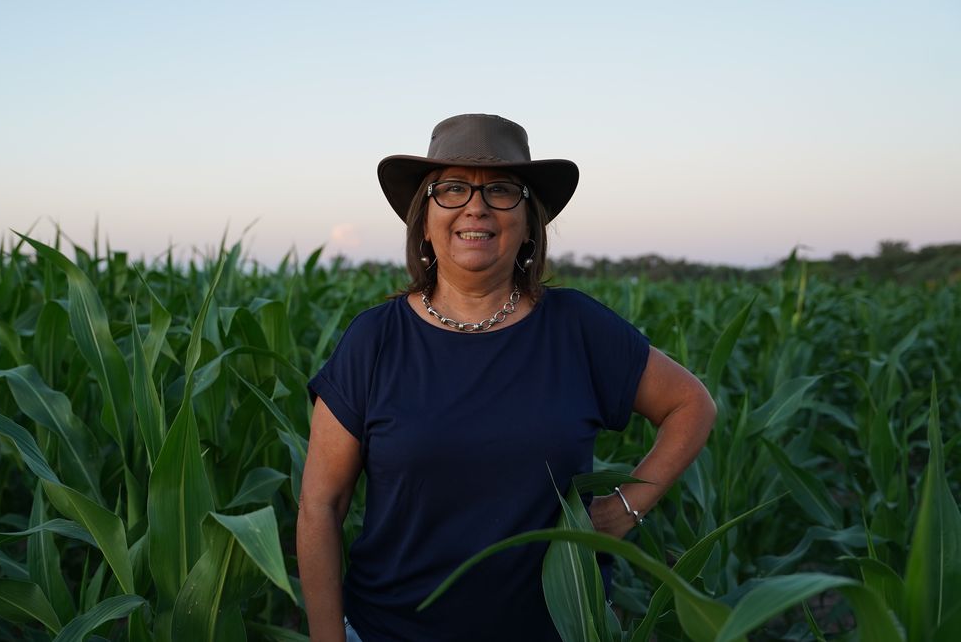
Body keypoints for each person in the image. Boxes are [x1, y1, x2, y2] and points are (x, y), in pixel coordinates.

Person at [296, 114, 717, 642]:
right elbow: (320, 505)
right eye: (451, 189)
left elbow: (691, 405)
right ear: (423, 219)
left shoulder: (577, 327)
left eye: (500, 191)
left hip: (556, 630)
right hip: (391, 630)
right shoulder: (375, 340)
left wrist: (625, 509)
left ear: (528, 222)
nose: (476, 206)